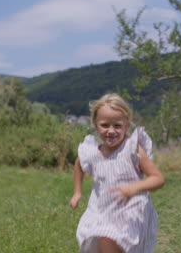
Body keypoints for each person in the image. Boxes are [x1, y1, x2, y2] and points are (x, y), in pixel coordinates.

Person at [69, 93, 165, 253]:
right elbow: (79, 164)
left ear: (126, 125)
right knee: (104, 239)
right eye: (105, 125)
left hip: (129, 212)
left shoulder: (131, 149)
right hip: (101, 211)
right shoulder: (93, 153)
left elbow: (157, 179)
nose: (111, 131)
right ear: (95, 124)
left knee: (109, 239)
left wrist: (134, 188)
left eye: (117, 126)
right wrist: (77, 193)